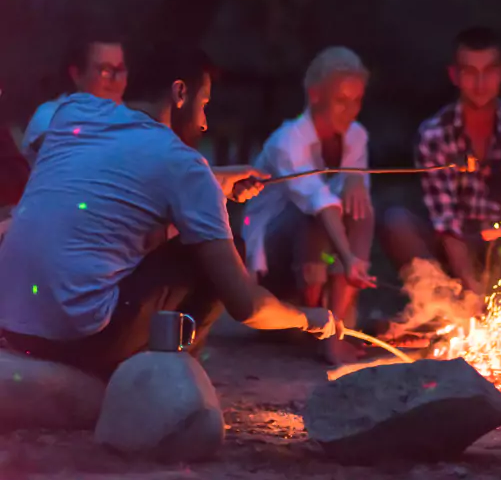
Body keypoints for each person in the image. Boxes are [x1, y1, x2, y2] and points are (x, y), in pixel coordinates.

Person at [0, 44, 342, 380]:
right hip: (84, 341)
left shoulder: (73, 113)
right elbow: (247, 306)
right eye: (204, 103)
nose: (205, 122)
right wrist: (311, 320)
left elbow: (125, 169)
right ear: (180, 92)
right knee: (220, 253)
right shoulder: (182, 164)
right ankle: (171, 380)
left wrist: (212, 181)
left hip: (14, 326)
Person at [380, 27, 501, 297]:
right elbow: (446, 223)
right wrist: (470, 284)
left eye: (489, 71)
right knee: (395, 222)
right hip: (459, 246)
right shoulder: (435, 134)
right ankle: (445, 304)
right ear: (454, 75)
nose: (480, 82)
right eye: (470, 72)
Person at [243, 46, 376, 366]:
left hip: (320, 249)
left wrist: (358, 178)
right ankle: (315, 324)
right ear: (315, 95)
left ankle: (336, 325)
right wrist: (345, 256)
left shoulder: (356, 137)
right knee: (313, 215)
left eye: (357, 100)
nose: (351, 111)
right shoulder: (287, 141)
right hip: (273, 264)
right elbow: (319, 200)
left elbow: (353, 205)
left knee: (361, 208)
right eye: (341, 101)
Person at [22, 35, 128, 166]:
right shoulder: (50, 118)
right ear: (76, 75)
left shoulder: (129, 120)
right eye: (106, 71)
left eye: (120, 70)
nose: (116, 80)